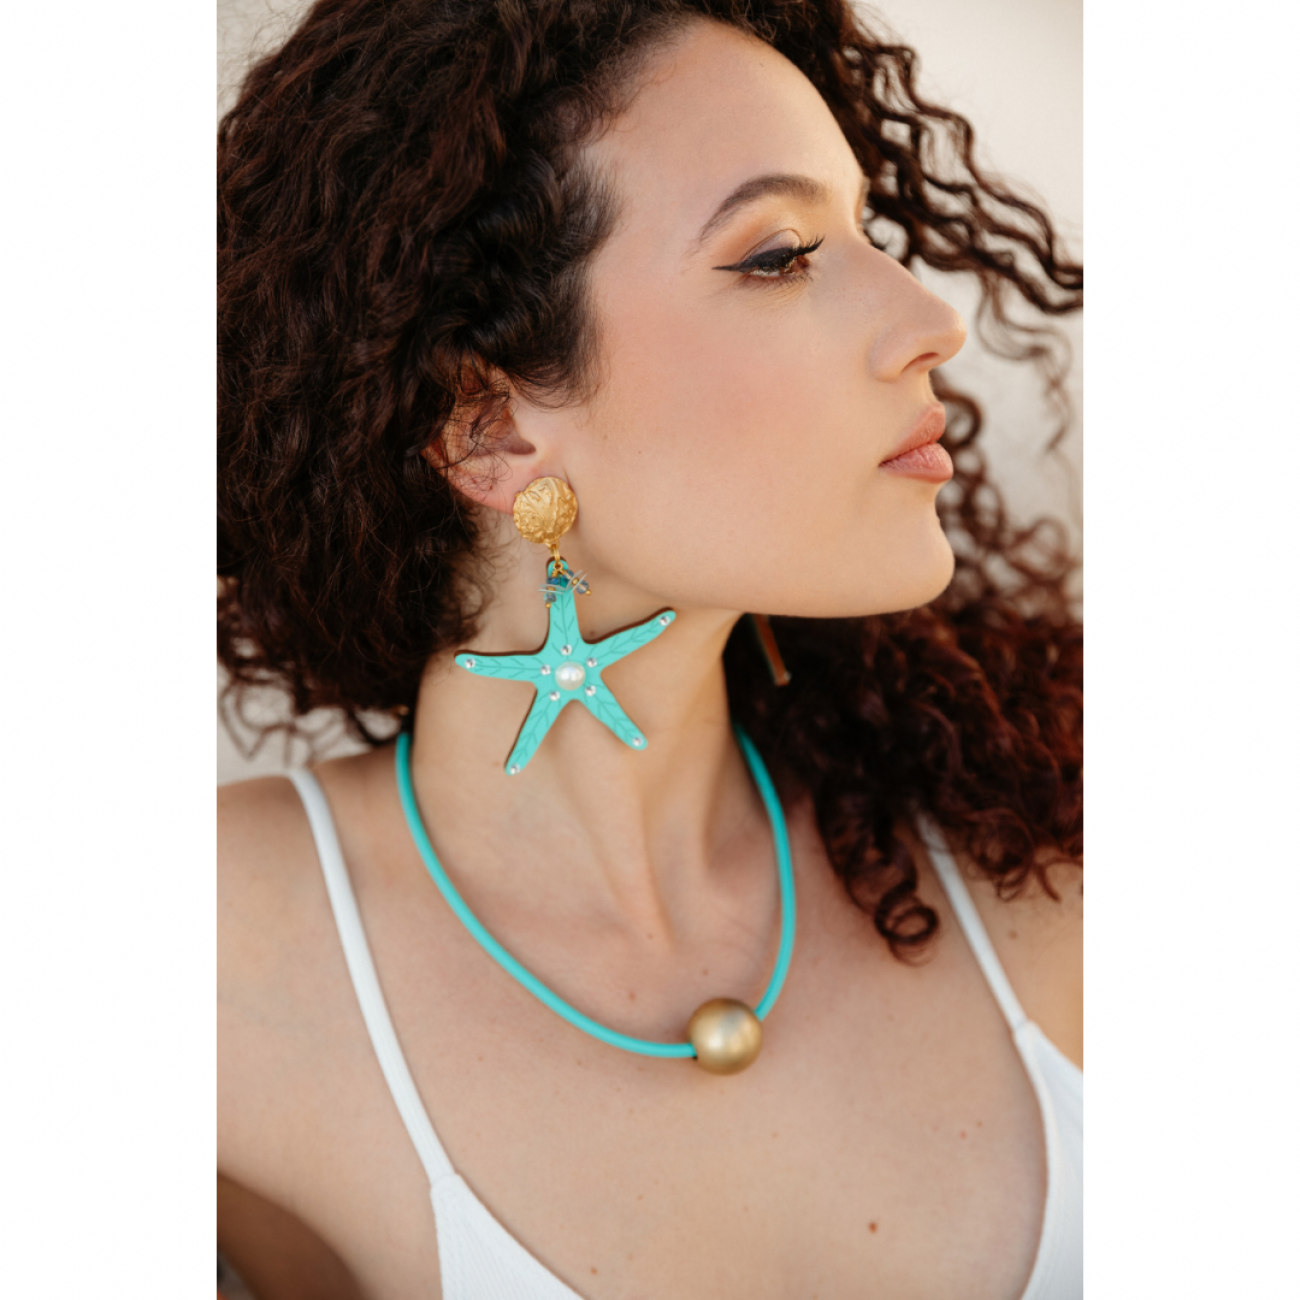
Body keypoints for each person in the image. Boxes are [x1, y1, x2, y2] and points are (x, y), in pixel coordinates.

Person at [217, 1, 1083, 1297]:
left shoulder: (1054, 840)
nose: (930, 318)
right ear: (491, 429)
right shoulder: (202, 958)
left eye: (874, 233)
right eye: (781, 254)